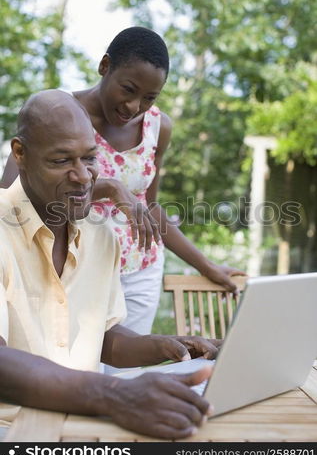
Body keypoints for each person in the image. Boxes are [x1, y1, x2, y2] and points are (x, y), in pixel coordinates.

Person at [0, 89, 222, 441]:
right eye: (61, 161)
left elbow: (102, 338)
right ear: (20, 154)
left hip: (88, 426)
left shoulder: (101, 235)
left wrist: (168, 345)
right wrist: (114, 395)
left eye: (90, 158)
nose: (83, 177)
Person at [1, 26, 246, 336]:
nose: (134, 107)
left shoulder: (158, 126)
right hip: (76, 266)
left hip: (140, 269)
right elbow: (11, 202)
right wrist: (108, 188)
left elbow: (149, 208)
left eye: (149, 98)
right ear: (105, 67)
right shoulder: (58, 115)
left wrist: (207, 266)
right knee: (80, 372)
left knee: (126, 375)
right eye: (128, 89)